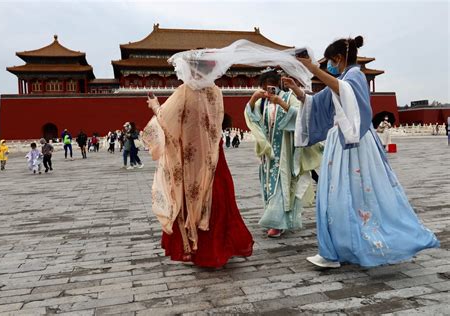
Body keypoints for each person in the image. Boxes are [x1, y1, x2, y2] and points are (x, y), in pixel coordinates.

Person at [287, 35, 439, 268]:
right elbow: (318, 102)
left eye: (329, 61)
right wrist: (296, 90)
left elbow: (344, 92)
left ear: (338, 58)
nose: (327, 65)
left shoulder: (354, 76)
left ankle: (346, 248)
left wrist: (311, 68)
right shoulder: (342, 79)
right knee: (336, 195)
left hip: (355, 144)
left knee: (352, 194)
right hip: (341, 143)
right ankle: (337, 248)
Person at [142, 52, 253, 268]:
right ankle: (220, 248)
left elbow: (165, 121)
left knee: (189, 200)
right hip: (214, 159)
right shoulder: (217, 92)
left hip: (189, 160)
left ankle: (194, 250)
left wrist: (155, 105)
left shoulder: (184, 91)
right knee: (218, 201)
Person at [245, 69, 322, 238]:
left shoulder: (288, 98)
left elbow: (300, 116)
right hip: (268, 153)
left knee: (281, 184)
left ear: (278, 84)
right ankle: (274, 219)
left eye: (270, 86)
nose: (268, 90)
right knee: (268, 186)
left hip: (285, 151)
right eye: (264, 87)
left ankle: (277, 223)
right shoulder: (262, 103)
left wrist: (281, 103)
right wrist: (253, 99)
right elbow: (252, 117)